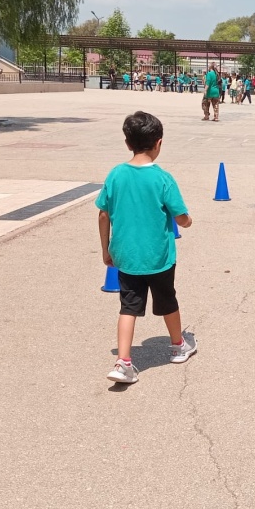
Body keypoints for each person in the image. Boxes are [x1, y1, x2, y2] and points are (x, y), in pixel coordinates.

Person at [96, 111, 197, 384]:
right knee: (167, 300)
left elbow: (103, 214)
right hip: (159, 256)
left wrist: (106, 249)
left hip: (126, 256)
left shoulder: (116, 175)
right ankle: (178, 345)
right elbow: (180, 217)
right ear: (158, 143)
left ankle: (124, 361)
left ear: (127, 143)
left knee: (128, 307)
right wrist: (188, 222)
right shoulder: (163, 179)